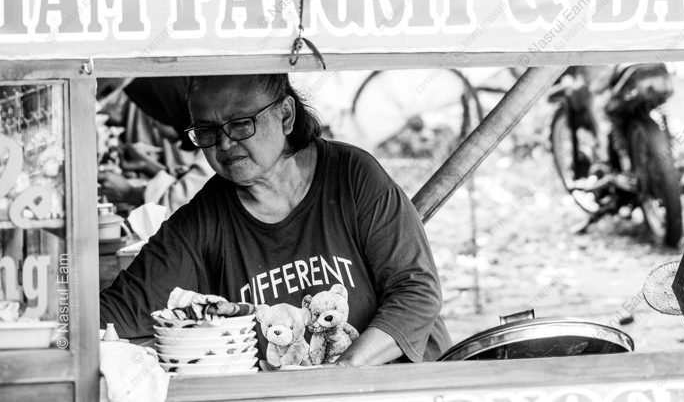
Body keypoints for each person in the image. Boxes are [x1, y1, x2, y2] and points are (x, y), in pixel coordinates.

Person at [99, 74, 451, 365]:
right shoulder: (203, 221)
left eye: (240, 124)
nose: (223, 144)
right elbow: (120, 312)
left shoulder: (352, 177)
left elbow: (416, 293)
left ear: (285, 115)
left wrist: (343, 372)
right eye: (206, 131)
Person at [97, 77, 214, 216]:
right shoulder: (205, 146)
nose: (153, 126)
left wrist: (129, 192)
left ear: (171, 110)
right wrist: (145, 165)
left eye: (155, 117)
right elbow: (187, 181)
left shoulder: (214, 148)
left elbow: (181, 204)